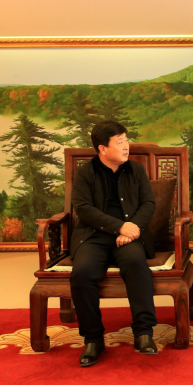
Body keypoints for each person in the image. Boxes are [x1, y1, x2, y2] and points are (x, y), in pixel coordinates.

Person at [70, 120, 158, 367]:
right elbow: (84, 209)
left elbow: (148, 204)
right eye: (120, 142)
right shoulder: (85, 173)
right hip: (93, 236)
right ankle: (93, 339)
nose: (126, 146)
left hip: (129, 236)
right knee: (82, 272)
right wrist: (119, 227)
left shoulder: (136, 170)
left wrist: (131, 229)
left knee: (136, 263)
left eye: (126, 140)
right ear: (102, 148)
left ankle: (143, 333)